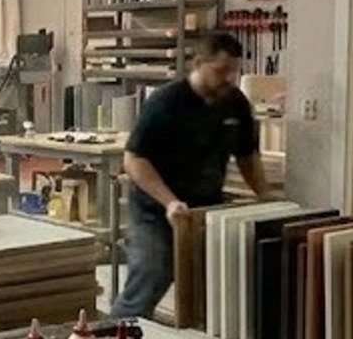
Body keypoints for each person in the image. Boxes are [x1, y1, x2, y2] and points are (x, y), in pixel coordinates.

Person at [111, 32, 269, 319]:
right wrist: (170, 202)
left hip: (205, 207)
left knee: (210, 280)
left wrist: (267, 199)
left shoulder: (235, 103)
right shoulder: (167, 102)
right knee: (153, 271)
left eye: (234, 71)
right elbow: (134, 160)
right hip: (155, 208)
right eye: (221, 71)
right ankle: (117, 334)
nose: (229, 78)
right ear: (198, 64)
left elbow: (247, 156)